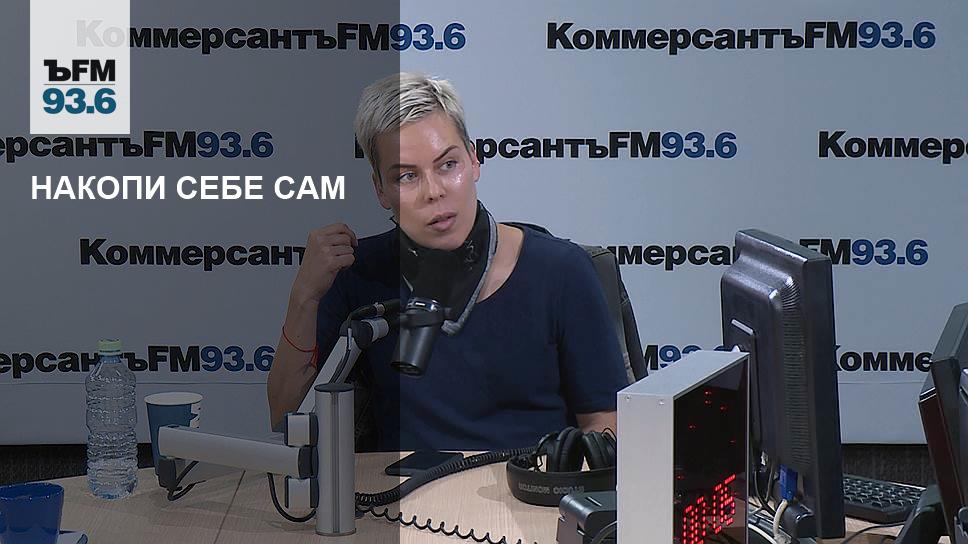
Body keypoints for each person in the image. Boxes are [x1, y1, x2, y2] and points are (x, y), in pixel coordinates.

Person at [267, 72, 630, 451]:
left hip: (529, 483)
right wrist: (304, 296)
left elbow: (606, 427)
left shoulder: (562, 270)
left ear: (474, 160)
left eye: (447, 165)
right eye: (407, 176)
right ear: (380, 190)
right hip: (396, 486)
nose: (434, 191)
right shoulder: (358, 273)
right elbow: (285, 416)